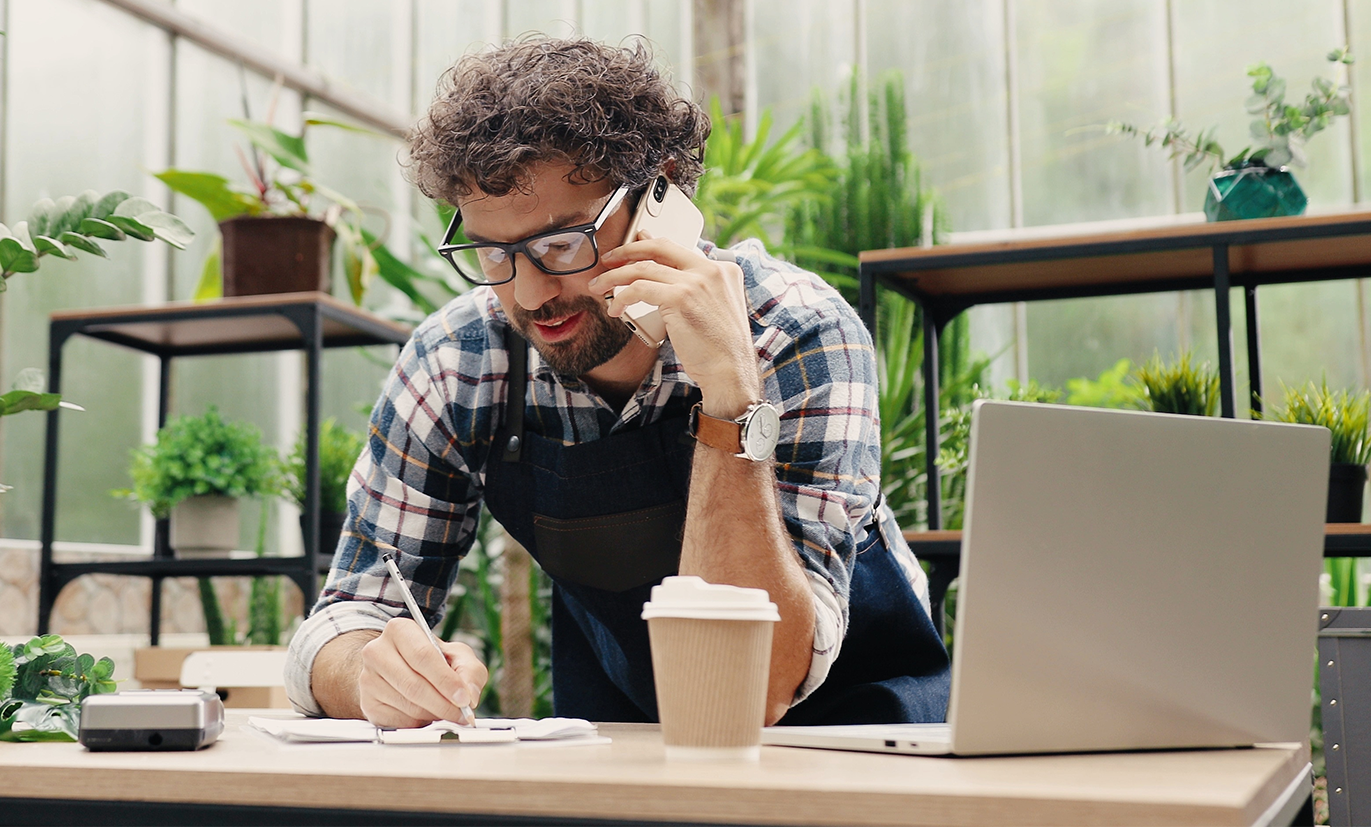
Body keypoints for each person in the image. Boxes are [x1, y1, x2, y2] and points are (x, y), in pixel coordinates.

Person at [284, 37, 949, 727]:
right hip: (631, 742)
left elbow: (754, 691)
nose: (533, 291)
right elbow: (349, 615)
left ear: (659, 190)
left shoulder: (796, 333)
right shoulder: (460, 361)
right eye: (493, 252)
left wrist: (731, 401)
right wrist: (371, 674)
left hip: (860, 744)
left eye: (563, 243)